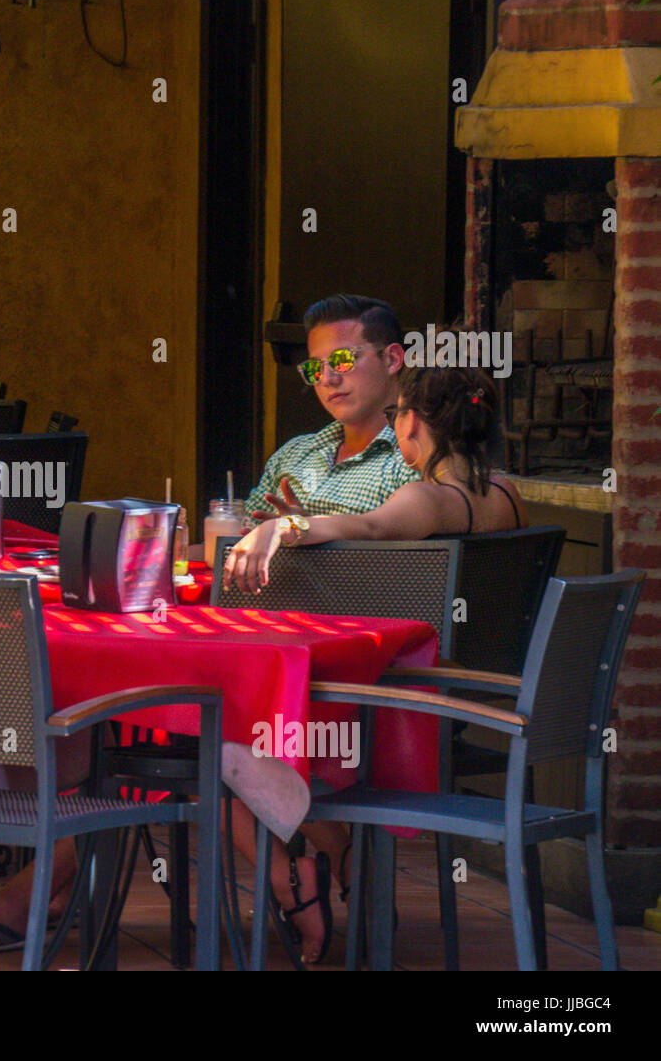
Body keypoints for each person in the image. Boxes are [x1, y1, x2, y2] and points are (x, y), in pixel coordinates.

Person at [224, 363, 527, 963]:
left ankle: (307, 876)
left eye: (398, 416)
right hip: (467, 702)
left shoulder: (431, 497)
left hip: (406, 711)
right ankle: (334, 864)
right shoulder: (507, 493)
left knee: (235, 735)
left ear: (412, 421)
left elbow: (367, 524)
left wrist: (281, 528)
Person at [245, 294, 421, 525]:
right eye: (314, 368)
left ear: (392, 359)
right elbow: (233, 542)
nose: (327, 379)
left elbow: (412, 557)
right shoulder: (293, 454)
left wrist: (310, 533)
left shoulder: (414, 456)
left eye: (343, 359)